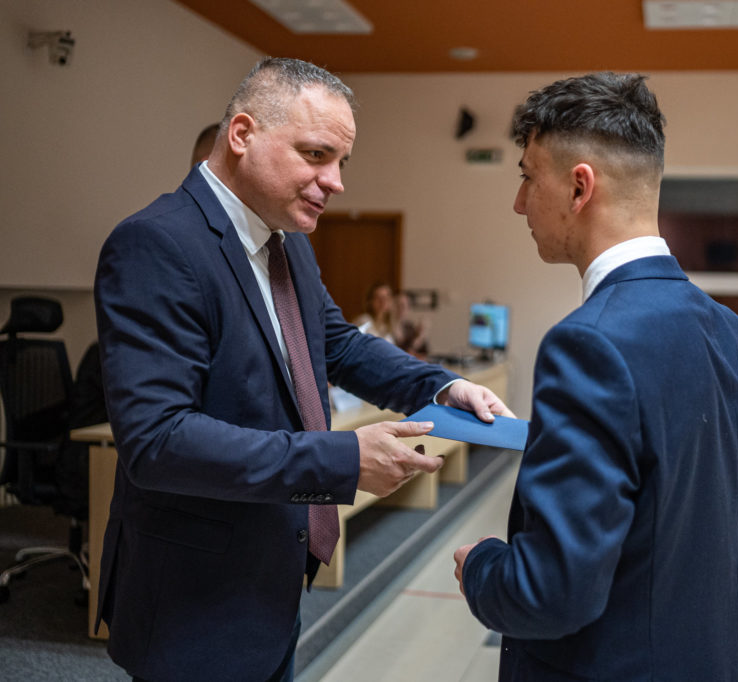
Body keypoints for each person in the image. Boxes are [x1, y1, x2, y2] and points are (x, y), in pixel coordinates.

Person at [94, 57, 510, 682]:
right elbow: (157, 442)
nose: (336, 181)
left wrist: (440, 385)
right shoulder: (158, 244)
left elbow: (337, 344)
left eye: (341, 161)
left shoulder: (286, 241)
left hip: (269, 579)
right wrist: (341, 461)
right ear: (242, 135)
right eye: (316, 155)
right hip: (193, 599)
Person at [453, 72, 738, 681]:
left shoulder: (589, 343)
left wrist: (484, 567)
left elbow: (549, 594)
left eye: (526, 176)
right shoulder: (734, 334)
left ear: (578, 186)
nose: (519, 202)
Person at [392, 289, 429, 358]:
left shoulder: (409, 327)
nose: (401, 309)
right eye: (398, 305)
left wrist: (420, 334)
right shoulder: (388, 326)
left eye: (404, 306)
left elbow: (423, 351)